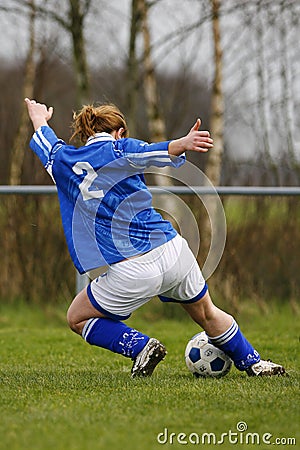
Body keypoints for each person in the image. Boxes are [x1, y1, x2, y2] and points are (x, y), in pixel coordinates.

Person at [25, 97, 286, 378]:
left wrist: (38, 117)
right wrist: (181, 144)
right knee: (208, 312)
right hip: (174, 252)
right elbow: (151, 153)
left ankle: (141, 347)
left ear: (86, 133)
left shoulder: (65, 161)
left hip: (132, 268)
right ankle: (255, 364)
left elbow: (48, 144)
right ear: (120, 132)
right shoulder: (120, 148)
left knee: (77, 317)